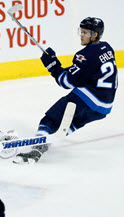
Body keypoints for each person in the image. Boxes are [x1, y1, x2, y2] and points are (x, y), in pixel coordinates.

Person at [14, 17, 118, 164]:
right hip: (104, 107)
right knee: (69, 124)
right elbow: (84, 73)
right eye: (81, 31)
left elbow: (67, 81)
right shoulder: (107, 48)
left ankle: (36, 149)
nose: (81, 35)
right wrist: (58, 66)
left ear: (94, 35)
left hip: (88, 99)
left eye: (85, 32)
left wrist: (53, 65)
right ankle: (48, 139)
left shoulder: (85, 55)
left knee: (49, 120)